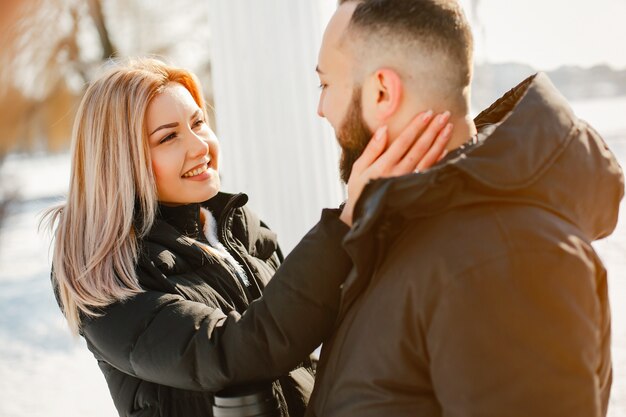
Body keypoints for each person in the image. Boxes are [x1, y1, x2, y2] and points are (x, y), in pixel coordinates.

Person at [44, 57, 451, 417]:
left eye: (198, 122)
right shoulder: (106, 278)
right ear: (121, 162)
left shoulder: (237, 225)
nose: (199, 145)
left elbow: (322, 316)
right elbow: (234, 353)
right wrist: (346, 222)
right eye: (168, 137)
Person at [306, 1, 625, 416]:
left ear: (382, 91)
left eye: (326, 85)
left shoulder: (506, 261)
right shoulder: (409, 227)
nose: (321, 109)